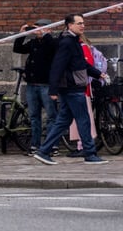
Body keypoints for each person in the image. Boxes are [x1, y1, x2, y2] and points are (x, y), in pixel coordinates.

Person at [32, 14, 110, 166]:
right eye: (79, 23)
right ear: (69, 25)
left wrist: (98, 73)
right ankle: (90, 153)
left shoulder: (74, 41)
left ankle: (43, 151)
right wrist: (53, 90)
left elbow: (82, 64)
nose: (83, 26)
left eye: (83, 23)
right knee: (83, 119)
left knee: (63, 121)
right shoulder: (67, 42)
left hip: (71, 87)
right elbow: (57, 65)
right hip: (72, 87)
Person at [12, 18, 58, 155]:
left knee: (51, 116)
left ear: (49, 29)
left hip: (46, 85)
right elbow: (18, 48)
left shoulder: (52, 42)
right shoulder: (33, 43)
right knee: (34, 116)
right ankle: (35, 145)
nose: (38, 30)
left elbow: (52, 47)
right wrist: (22, 35)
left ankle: (52, 146)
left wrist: (46, 34)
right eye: (37, 27)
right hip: (32, 85)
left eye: (42, 27)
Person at [66, 34, 99, 157]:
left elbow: (87, 64)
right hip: (76, 87)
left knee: (83, 117)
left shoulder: (81, 46)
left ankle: (84, 145)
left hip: (80, 87)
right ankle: (82, 145)